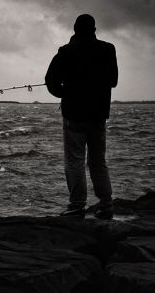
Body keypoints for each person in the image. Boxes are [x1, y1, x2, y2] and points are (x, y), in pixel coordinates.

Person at [45, 14, 118, 220]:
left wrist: (64, 93)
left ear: (75, 29)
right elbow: (113, 81)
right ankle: (106, 204)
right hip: (98, 115)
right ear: (94, 30)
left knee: (75, 161)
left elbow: (50, 81)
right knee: (98, 161)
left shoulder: (66, 52)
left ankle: (77, 205)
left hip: (74, 115)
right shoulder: (108, 49)